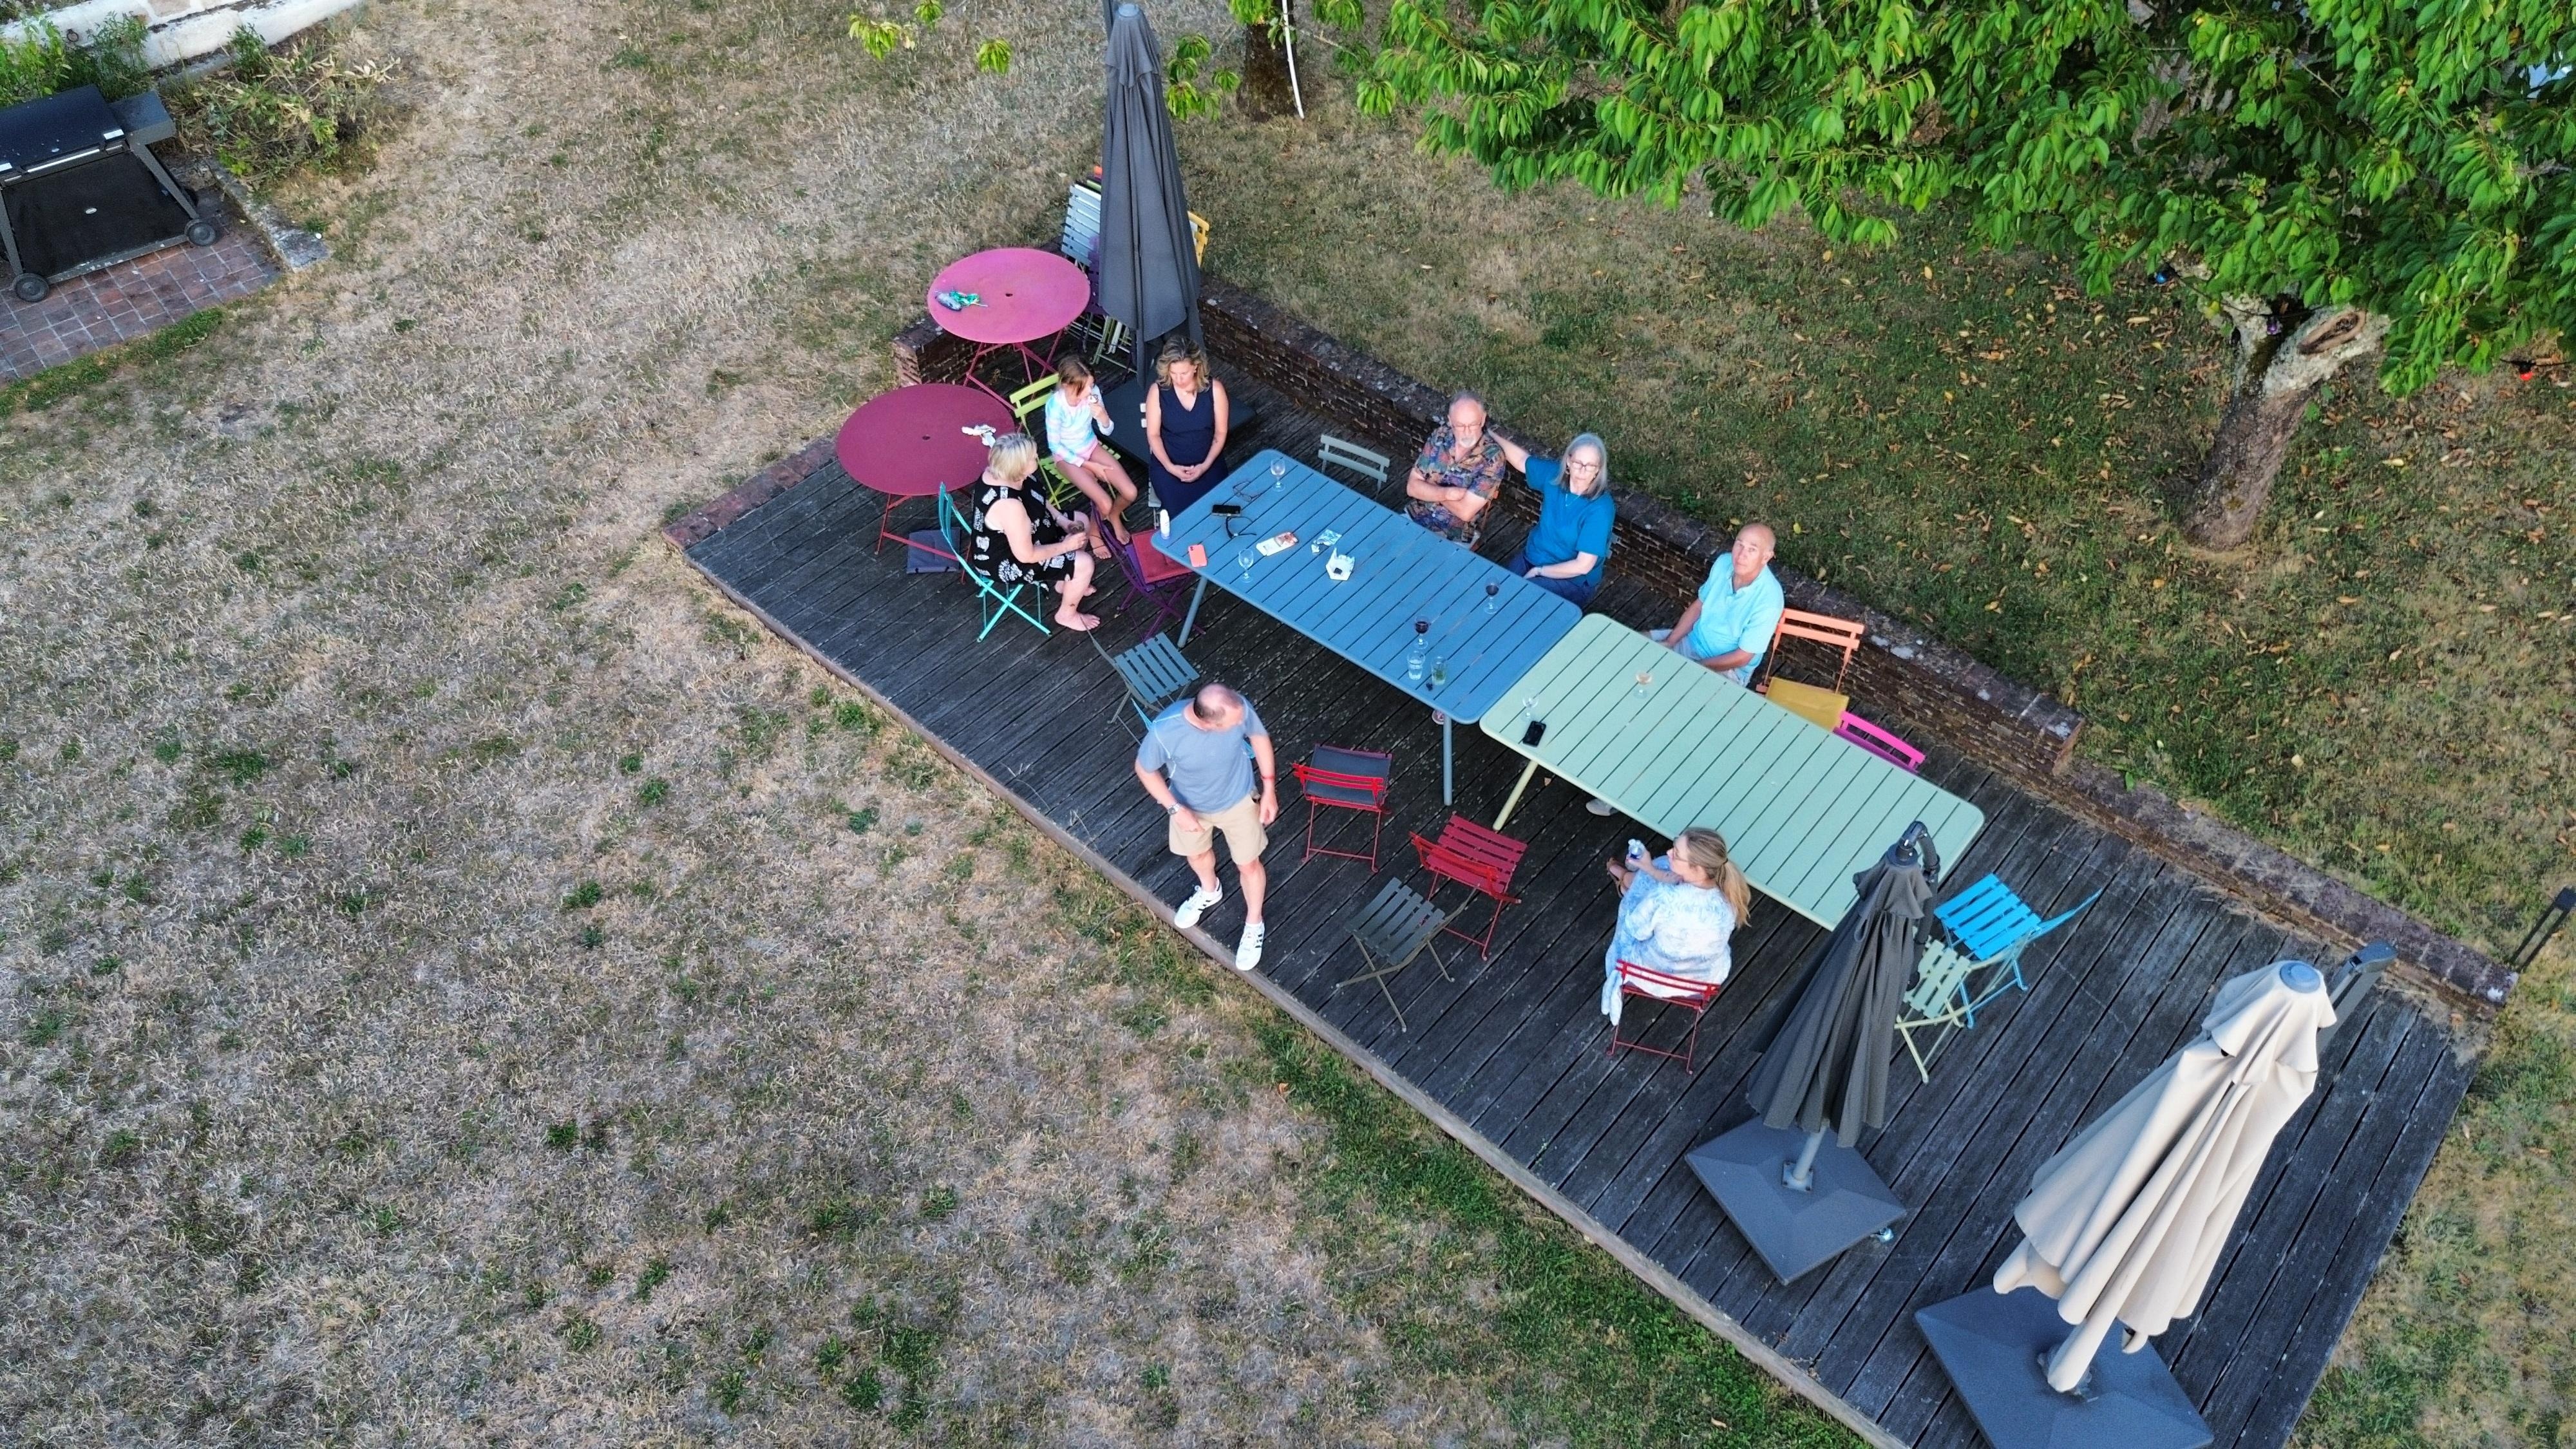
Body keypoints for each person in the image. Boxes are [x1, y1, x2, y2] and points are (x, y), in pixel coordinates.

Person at [1585, 523, 1781, 815]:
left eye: (1752, 550)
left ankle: (1618, 794)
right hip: (1691, 643)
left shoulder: (1769, 600)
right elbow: (1699, 606)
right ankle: (1594, 728)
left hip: (1726, 671)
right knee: (1623, 648)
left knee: (1663, 722)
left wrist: (1694, 668)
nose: (1741, 554)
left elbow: (1743, 657)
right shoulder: (1724, 563)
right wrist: (1671, 641)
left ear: (1767, 557)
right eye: (1739, 544)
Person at [1133, 684, 1278, 971]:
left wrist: (1270, 787)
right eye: (1233, 724)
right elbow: (1144, 769)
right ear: (1207, 723)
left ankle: (1254, 923)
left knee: (1248, 864)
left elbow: (1259, 738)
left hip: (1238, 800)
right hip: (1189, 806)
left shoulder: (1237, 708)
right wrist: (1175, 809)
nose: (1242, 723)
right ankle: (1210, 890)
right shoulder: (1166, 732)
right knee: (1197, 856)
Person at [1599, 828, 1751, 1025]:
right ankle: (1629, 879)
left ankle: (1627, 881)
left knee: (1635, 902)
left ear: (1697, 869)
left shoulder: (1664, 898)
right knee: (1656, 872)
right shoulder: (1729, 899)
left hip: (1649, 974)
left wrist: (1648, 878)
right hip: (1700, 981)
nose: (1670, 852)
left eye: (1676, 854)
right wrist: (1653, 870)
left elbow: (1636, 929)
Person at [964, 431, 1103, 632]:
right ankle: (1067, 614)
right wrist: (1065, 546)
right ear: (1019, 466)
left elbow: (1036, 497)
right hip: (1007, 558)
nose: (1037, 458)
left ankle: (1065, 582)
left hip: (1032, 530)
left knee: (1080, 520)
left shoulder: (1005, 471)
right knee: (1084, 564)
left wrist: (1060, 518)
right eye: (1032, 457)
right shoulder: (1008, 505)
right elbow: (1026, 555)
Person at [1495, 431, 1615, 605]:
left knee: (1518, 604)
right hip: (1534, 556)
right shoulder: (1555, 478)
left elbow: (1583, 565)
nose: (1582, 470)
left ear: (1598, 470)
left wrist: (1540, 571)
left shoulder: (1600, 508)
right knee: (1498, 591)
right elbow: (1522, 461)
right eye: (1578, 463)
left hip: (1571, 579)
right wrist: (1489, 433)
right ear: (1568, 462)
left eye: (1590, 466)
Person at [1043, 356, 1140, 545]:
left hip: (1091, 446)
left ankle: (1113, 516)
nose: (1090, 390)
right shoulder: (1056, 406)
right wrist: (1089, 466)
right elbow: (1055, 446)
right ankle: (1095, 532)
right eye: (1084, 387)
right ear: (1067, 386)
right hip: (1066, 458)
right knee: (1104, 502)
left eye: (1091, 384)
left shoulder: (1093, 393)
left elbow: (1108, 429)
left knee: (1131, 492)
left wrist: (1103, 417)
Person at [1403, 392, 1507, 545]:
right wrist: (1449, 493)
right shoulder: (1441, 435)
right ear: (1451, 421)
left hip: (1454, 536)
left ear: (1483, 419)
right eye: (1460, 425)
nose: (1467, 432)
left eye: (1473, 424)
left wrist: (1430, 484)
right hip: (1416, 516)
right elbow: (1412, 488)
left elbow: (1465, 512)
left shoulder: (1493, 458)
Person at [1142, 339, 1231, 518]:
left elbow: (1221, 433)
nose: (1178, 379)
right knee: (1181, 515)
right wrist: (1170, 467)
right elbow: (1153, 435)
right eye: (1173, 373)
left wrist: (1205, 466)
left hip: (1208, 463)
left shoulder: (1215, 390)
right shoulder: (1158, 391)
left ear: (1196, 367)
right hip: (1169, 467)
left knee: (1218, 510)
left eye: (1183, 373)